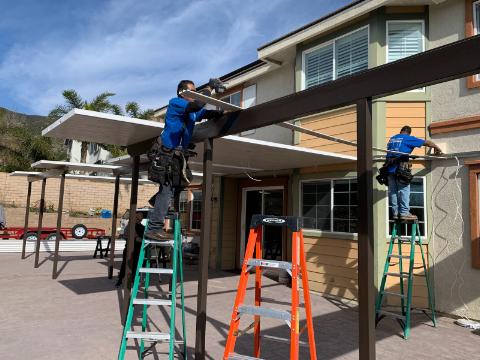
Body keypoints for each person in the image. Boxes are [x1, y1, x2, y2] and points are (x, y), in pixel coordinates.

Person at [144, 79, 224, 241]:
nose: (194, 95)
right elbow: (197, 106)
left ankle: (156, 201)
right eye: (192, 92)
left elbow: (203, 113)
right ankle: (153, 229)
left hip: (177, 155)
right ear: (183, 93)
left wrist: (219, 113)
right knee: (166, 190)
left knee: (183, 181)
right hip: (165, 154)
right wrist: (209, 88)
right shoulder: (176, 103)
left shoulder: (192, 112)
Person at [386, 125, 443, 221]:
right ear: (408, 133)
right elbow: (426, 142)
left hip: (390, 169)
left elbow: (396, 151)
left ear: (401, 131)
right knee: (404, 190)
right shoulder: (407, 138)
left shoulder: (392, 139)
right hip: (401, 169)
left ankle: (396, 213)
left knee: (394, 192)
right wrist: (436, 147)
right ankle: (404, 213)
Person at [116, 211, 145, 287]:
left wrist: (139, 239)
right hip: (129, 248)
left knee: (136, 265)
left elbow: (142, 238)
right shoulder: (130, 225)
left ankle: (133, 280)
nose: (139, 219)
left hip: (138, 249)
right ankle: (120, 280)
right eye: (137, 217)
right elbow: (127, 236)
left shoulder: (142, 227)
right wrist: (137, 238)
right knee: (125, 264)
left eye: (140, 217)